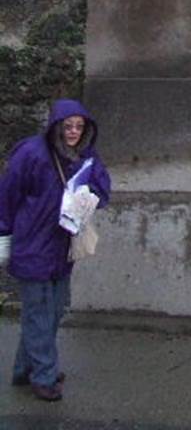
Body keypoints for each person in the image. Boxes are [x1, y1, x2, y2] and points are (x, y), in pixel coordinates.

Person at [0, 99, 111, 402]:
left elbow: (103, 187)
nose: (74, 132)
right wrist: (3, 233)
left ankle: (25, 369)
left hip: (62, 246)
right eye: (68, 126)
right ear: (56, 126)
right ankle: (44, 377)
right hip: (33, 244)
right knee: (39, 313)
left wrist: (91, 197)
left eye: (79, 126)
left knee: (53, 310)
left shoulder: (86, 156)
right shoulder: (31, 153)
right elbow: (8, 193)